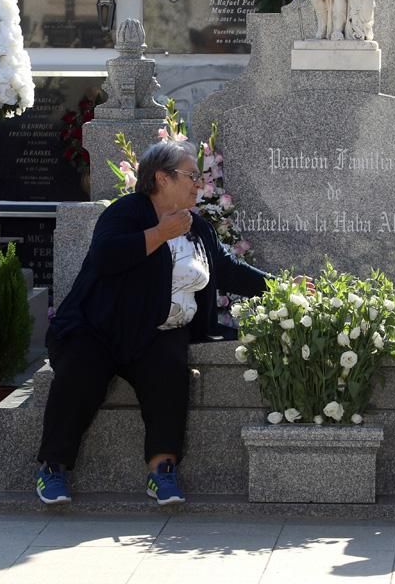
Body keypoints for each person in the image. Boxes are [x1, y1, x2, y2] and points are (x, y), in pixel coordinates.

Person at [34, 141, 270, 505]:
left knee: (170, 370)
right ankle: (53, 468)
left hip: (157, 330)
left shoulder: (198, 227)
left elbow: (228, 270)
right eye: (191, 176)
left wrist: (280, 286)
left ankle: (162, 470)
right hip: (98, 327)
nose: (198, 184)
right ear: (162, 178)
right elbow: (106, 256)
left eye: (198, 177)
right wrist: (161, 233)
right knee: (80, 370)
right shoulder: (126, 212)